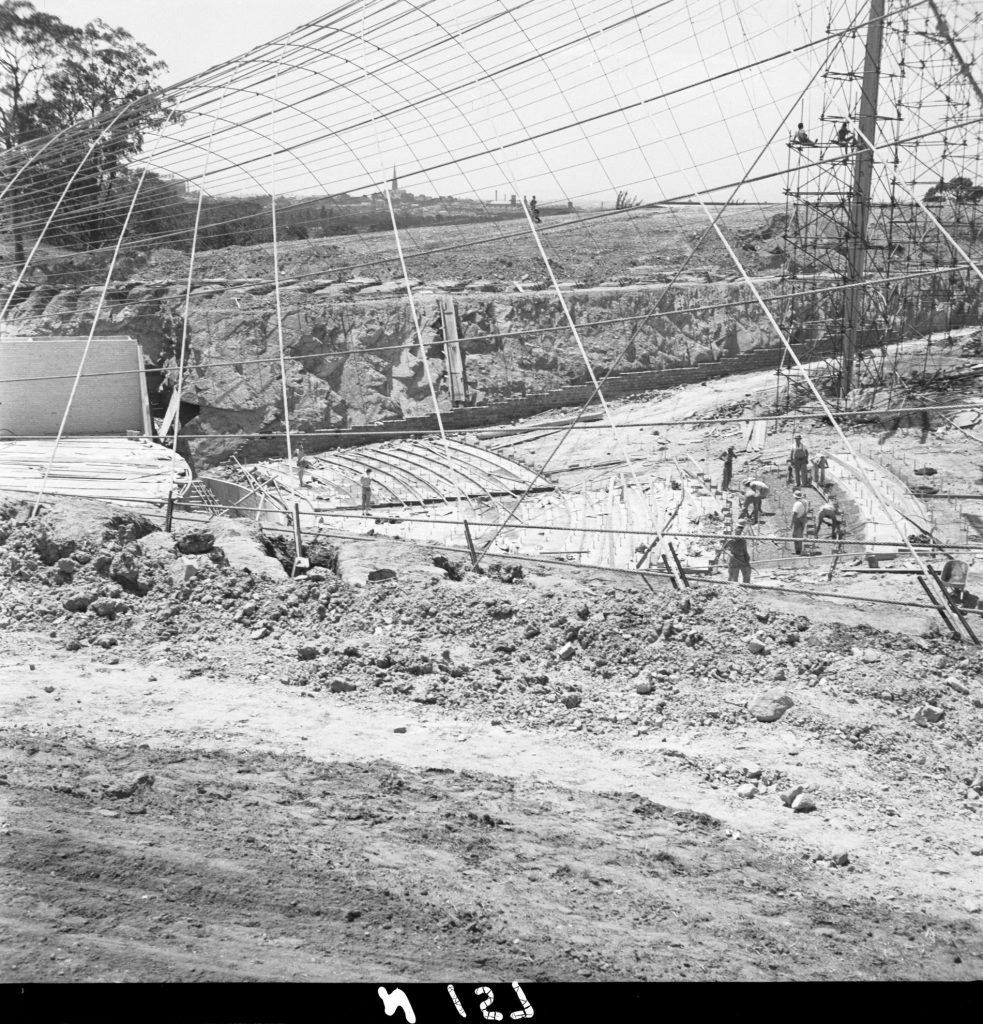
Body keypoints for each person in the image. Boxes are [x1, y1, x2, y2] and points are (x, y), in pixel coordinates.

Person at [791, 490, 809, 555]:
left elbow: (794, 514)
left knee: (796, 536)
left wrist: (791, 524)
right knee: (800, 535)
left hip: (798, 520)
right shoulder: (805, 501)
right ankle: (798, 550)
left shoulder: (797, 504)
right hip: (803, 519)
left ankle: (798, 551)